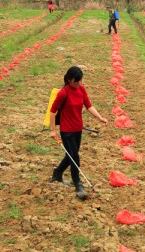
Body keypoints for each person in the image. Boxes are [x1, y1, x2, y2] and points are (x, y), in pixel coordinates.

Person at [49, 66, 108, 200]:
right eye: (76, 81)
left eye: (80, 81)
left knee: (70, 155)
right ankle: (78, 184)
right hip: (66, 130)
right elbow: (52, 112)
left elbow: (88, 105)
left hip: (77, 129)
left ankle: (57, 173)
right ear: (69, 80)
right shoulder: (64, 93)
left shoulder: (81, 89)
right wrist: (53, 131)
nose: (78, 84)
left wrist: (100, 117)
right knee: (75, 157)